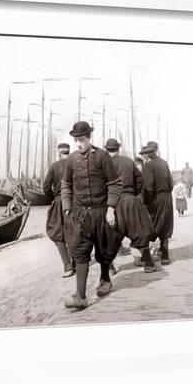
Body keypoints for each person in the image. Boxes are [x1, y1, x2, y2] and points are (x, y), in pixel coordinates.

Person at [61, 121, 122, 309]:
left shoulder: (102, 157)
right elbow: (66, 186)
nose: (79, 143)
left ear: (89, 138)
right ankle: (80, 295)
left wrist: (111, 208)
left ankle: (105, 279)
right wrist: (67, 209)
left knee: (103, 249)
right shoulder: (71, 160)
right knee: (80, 252)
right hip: (79, 215)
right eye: (76, 140)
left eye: (82, 139)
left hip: (101, 212)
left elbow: (114, 184)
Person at [104, 139, 159, 272]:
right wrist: (133, 194)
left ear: (106, 149)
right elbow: (140, 180)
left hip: (112, 203)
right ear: (118, 148)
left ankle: (109, 268)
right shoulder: (128, 161)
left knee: (112, 237)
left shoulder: (104, 163)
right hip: (130, 200)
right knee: (139, 232)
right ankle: (149, 264)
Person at [140, 141, 174, 265]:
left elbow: (148, 187)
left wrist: (146, 203)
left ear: (148, 153)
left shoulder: (149, 166)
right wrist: (166, 195)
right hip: (167, 198)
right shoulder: (164, 163)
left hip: (156, 198)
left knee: (150, 225)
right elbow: (171, 183)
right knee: (165, 225)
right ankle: (165, 255)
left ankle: (146, 257)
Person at [43, 143, 74, 277]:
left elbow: (46, 187)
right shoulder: (75, 164)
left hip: (59, 201)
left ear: (59, 152)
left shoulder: (54, 166)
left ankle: (67, 266)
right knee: (74, 233)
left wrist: (54, 198)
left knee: (58, 234)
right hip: (75, 202)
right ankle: (76, 263)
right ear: (69, 151)